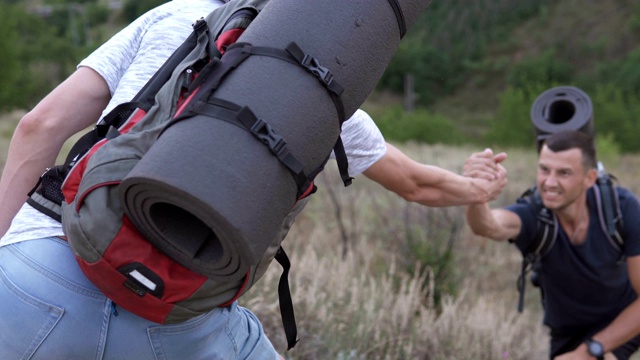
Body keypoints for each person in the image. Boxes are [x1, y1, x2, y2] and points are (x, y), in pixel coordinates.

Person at [0, 0, 507, 358]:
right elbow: (417, 184)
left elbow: (37, 126)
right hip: (178, 319)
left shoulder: (174, 15)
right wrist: (477, 189)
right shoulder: (318, 88)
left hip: (43, 265)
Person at [464, 130, 640, 360]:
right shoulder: (535, 217)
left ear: (589, 178)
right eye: (544, 169)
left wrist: (589, 352)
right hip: (567, 332)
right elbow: (487, 226)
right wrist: (475, 191)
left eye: (564, 173)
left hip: (623, 321)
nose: (549, 182)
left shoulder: (620, 209)